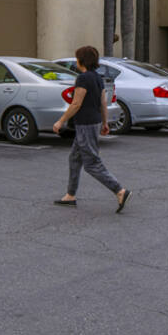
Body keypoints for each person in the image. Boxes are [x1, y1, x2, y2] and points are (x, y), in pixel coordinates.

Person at [51, 45, 128, 212]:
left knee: (91, 163)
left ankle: (119, 190)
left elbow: (76, 103)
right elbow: (103, 103)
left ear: (81, 61)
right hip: (93, 123)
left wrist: (60, 121)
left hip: (85, 125)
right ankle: (70, 195)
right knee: (74, 158)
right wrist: (105, 123)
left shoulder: (84, 78)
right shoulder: (97, 78)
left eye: (77, 58)